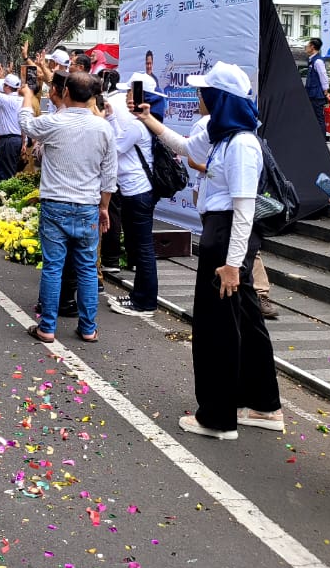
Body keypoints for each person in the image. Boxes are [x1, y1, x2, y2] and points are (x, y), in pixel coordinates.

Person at [135, 61, 283, 440]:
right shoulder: (222, 137)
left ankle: (218, 418)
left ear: (220, 99)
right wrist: (148, 120)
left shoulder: (242, 145)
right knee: (244, 322)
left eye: (205, 92)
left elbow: (244, 210)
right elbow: (185, 146)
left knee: (217, 328)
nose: (199, 97)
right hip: (222, 234)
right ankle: (264, 405)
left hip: (227, 238)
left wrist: (233, 264)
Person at [21, 71, 117, 344]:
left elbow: (26, 124)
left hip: (55, 204)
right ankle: (88, 328)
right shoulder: (103, 128)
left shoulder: (54, 122)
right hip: (88, 206)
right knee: (87, 268)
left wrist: (27, 96)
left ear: (65, 92)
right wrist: (104, 207)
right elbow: (110, 174)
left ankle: (47, 327)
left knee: (53, 267)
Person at [107, 72, 161, 319]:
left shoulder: (137, 125)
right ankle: (139, 296)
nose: (128, 97)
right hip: (135, 191)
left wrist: (106, 120)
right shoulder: (140, 123)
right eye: (129, 92)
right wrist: (111, 117)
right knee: (139, 248)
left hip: (137, 192)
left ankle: (145, 303)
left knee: (143, 249)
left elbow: (114, 148)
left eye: (133, 93)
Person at [304, 37, 329, 135]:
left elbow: (323, 75)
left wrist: (325, 90)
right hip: (311, 93)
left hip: (316, 95)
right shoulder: (312, 60)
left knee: (319, 117)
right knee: (313, 117)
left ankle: (322, 138)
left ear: (312, 47)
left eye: (307, 45)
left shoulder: (318, 61)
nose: (306, 47)